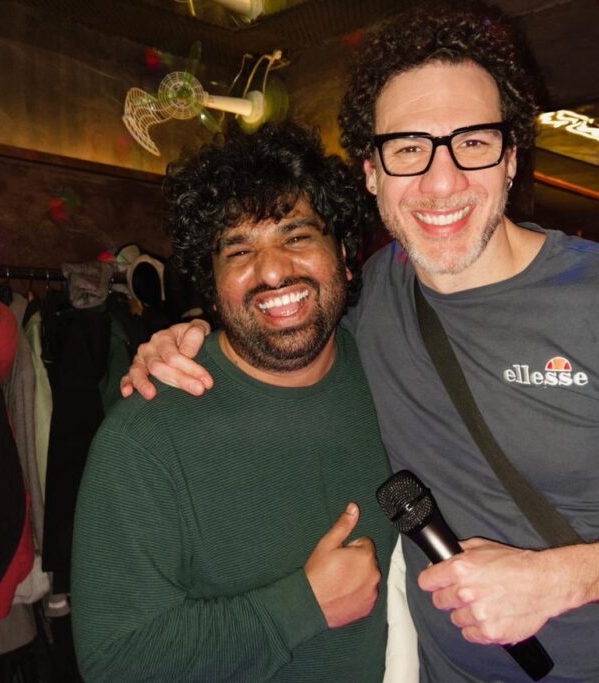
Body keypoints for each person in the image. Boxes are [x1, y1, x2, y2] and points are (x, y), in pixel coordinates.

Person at [122, 5, 599, 680]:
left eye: (473, 143)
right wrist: (191, 335)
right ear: (372, 171)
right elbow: (282, 325)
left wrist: (557, 579)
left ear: (511, 157)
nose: (442, 182)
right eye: (408, 149)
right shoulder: (371, 294)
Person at [70, 122, 397, 682]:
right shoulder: (145, 438)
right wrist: (301, 607)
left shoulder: (391, 370)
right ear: (214, 283)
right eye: (239, 250)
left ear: (344, 254)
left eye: (297, 237)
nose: (272, 271)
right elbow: (115, 662)